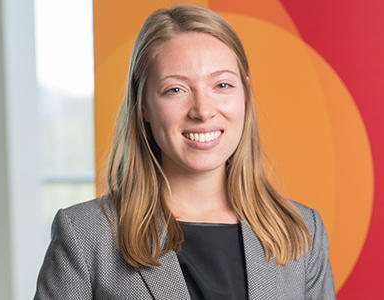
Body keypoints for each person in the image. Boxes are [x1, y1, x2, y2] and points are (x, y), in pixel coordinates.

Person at [34, 3, 335, 300]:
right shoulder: (86, 235)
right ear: (143, 106)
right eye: (175, 89)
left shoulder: (302, 231)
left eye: (222, 85)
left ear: (245, 94)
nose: (203, 111)